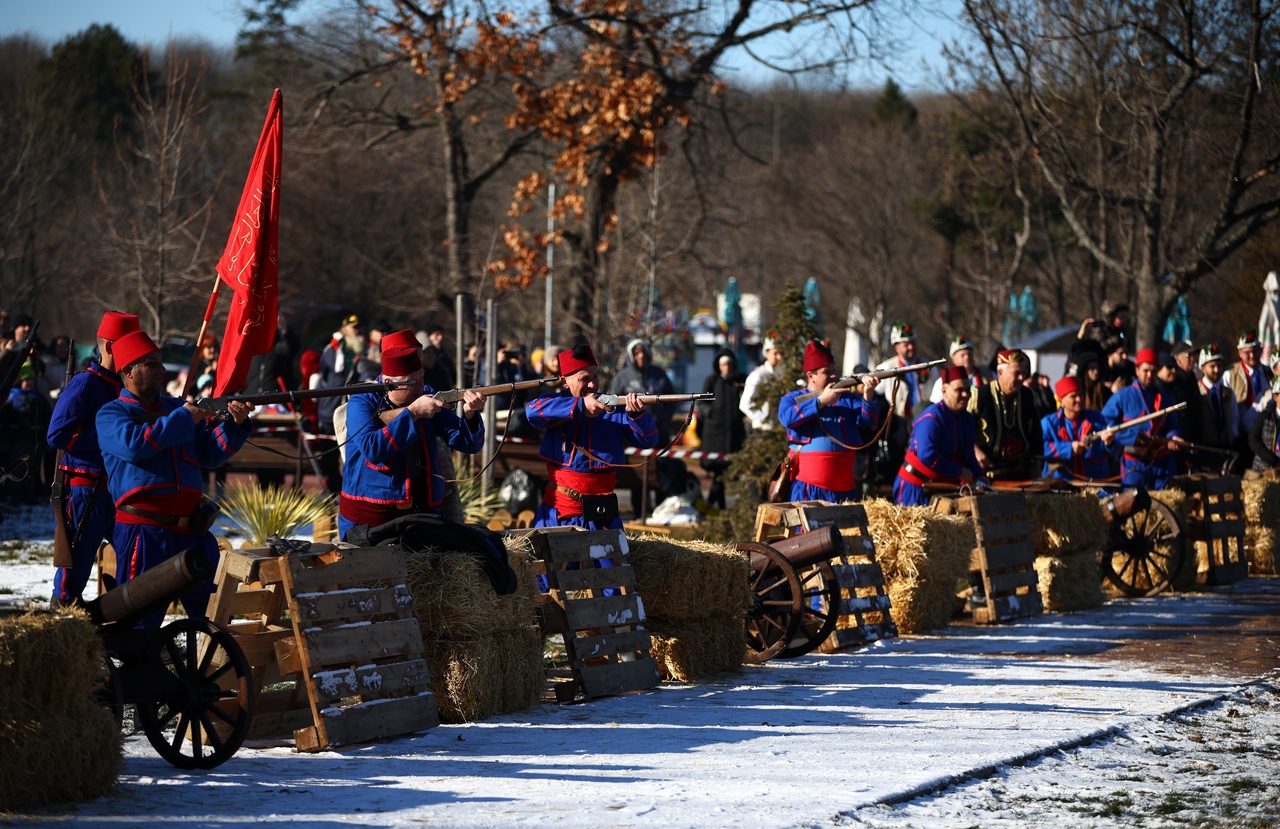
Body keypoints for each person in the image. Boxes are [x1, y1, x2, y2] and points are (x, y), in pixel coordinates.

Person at [97, 329, 254, 628]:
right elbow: (135, 445)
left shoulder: (174, 408)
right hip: (145, 533)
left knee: (215, 616)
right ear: (128, 371)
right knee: (139, 625)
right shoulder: (111, 413)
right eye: (152, 363)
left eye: (160, 362)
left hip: (191, 530)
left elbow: (208, 454)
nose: (162, 369)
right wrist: (184, 417)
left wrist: (236, 425)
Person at [336, 345, 484, 540]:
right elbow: (373, 449)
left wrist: (470, 413)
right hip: (370, 523)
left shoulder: (427, 395)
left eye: (421, 378)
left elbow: (468, 444)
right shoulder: (362, 401)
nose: (419, 387)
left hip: (419, 518)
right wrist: (412, 413)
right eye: (411, 382)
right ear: (388, 382)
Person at [46, 312, 139, 607]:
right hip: (85, 491)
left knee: (137, 560)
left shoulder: (125, 387)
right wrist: (109, 436)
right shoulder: (85, 384)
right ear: (111, 347)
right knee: (73, 572)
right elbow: (57, 434)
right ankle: (58, 627)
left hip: (119, 492)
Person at [525, 343, 659, 530]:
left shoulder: (613, 407)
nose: (593, 384)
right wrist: (579, 407)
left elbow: (649, 440)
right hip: (559, 514)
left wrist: (637, 415)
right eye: (584, 379)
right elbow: (531, 412)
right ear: (565, 382)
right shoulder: (556, 403)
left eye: (595, 377)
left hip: (602, 516)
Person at [778, 340, 880, 503]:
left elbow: (869, 420)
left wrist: (868, 394)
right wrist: (820, 402)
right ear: (811, 376)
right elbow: (786, 417)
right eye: (827, 372)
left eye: (834, 370)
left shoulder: (845, 397)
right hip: (810, 490)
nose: (834, 376)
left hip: (845, 492)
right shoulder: (793, 398)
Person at [893, 366, 985, 506]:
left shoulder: (968, 419)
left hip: (941, 490)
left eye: (967, 390)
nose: (965, 394)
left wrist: (980, 476)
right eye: (959, 390)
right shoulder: (932, 418)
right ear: (944, 391)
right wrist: (959, 472)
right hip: (915, 489)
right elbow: (927, 455)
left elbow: (968, 456)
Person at [1102, 347, 1186, 489]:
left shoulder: (1167, 399)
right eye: (1146, 370)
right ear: (1137, 370)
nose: (1149, 375)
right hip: (1134, 466)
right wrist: (1132, 437)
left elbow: (1174, 425)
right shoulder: (1122, 397)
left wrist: (1173, 436)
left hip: (1162, 464)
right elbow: (1106, 426)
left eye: (1153, 371)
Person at [969, 349, 1043, 481]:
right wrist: (975, 450)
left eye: (1024, 373)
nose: (1022, 378)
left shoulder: (1028, 396)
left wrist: (1037, 472)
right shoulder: (980, 396)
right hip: (986, 472)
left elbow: (1036, 435)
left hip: (1020, 471)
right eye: (1017, 373)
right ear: (1000, 373)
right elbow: (962, 431)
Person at [875, 321, 930, 479]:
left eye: (913, 343)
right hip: (897, 426)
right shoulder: (886, 368)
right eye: (906, 344)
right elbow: (873, 392)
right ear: (896, 346)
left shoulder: (927, 366)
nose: (911, 347)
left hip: (922, 421)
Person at [1041, 376, 1115, 483]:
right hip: (1061, 486)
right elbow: (1040, 448)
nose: (1079, 399)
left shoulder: (1098, 419)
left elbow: (1115, 450)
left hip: (1096, 485)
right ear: (1061, 401)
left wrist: (1110, 443)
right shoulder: (1048, 423)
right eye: (1073, 396)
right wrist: (1069, 448)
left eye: (1080, 395)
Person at [697, 350, 746, 509]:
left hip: (733, 434)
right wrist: (710, 412)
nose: (727, 368)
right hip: (714, 435)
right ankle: (715, 507)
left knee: (723, 471)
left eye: (730, 364)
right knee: (718, 470)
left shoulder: (739, 381)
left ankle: (712, 506)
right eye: (724, 364)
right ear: (719, 366)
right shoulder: (712, 381)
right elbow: (702, 402)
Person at [1229, 329, 1275, 469]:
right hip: (1241, 438)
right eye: (1247, 352)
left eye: (1255, 351)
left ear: (1261, 350)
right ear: (1240, 353)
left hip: (1265, 439)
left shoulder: (1270, 373)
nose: (1252, 355)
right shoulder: (1230, 374)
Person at [1197, 343, 1237, 451]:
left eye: (1219, 366)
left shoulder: (1227, 392)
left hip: (1225, 446)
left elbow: (1234, 418)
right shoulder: (1197, 391)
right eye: (1212, 366)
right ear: (1202, 368)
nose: (1216, 370)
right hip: (1204, 447)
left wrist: (1231, 436)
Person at [928, 333, 985, 402]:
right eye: (962, 355)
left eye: (969, 354)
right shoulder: (943, 381)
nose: (967, 357)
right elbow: (936, 405)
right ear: (953, 359)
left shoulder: (986, 375)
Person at [740, 335, 781, 431]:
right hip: (763, 430)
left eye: (781, 353)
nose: (779, 357)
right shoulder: (758, 375)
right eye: (775, 353)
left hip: (778, 428)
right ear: (766, 353)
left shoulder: (780, 374)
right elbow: (744, 404)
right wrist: (762, 417)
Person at [1248, 374, 1280, 471]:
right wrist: (1273, 460)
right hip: (1263, 469)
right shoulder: (1266, 416)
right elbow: (1253, 440)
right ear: (1275, 396)